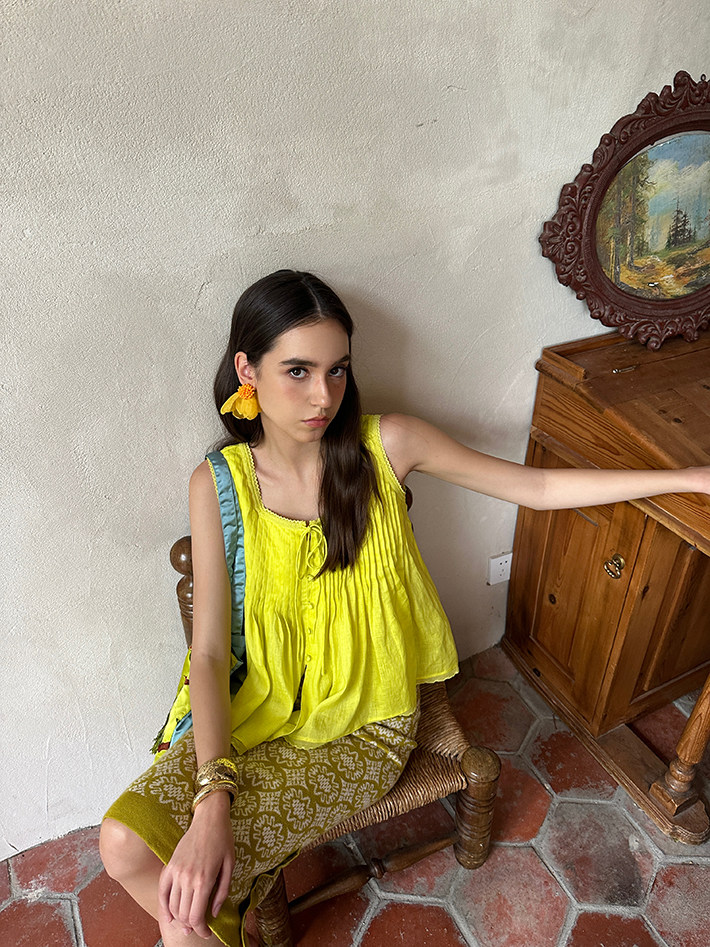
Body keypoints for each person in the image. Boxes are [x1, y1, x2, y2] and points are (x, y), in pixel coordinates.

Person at [99, 270, 710, 946]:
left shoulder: (386, 447)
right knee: (122, 843)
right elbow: (212, 653)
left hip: (364, 730)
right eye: (297, 371)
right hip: (256, 709)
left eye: (337, 370)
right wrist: (213, 798)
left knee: (186, 910)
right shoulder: (218, 485)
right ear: (247, 370)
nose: (323, 395)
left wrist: (686, 478)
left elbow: (535, 487)